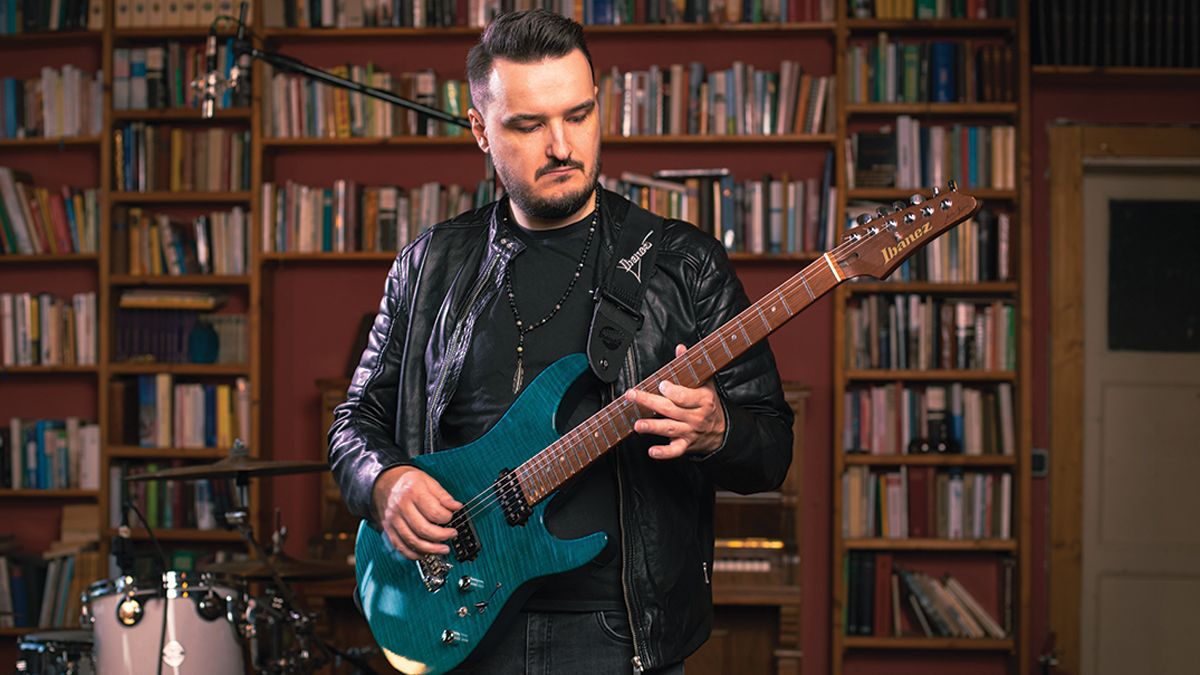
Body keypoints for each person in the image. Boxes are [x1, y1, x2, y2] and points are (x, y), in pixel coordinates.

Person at [327, 9, 794, 674]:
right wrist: (386, 484)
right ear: (479, 130)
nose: (563, 145)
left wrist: (720, 429)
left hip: (619, 631)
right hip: (459, 616)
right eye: (529, 124)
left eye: (579, 115)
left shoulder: (682, 263)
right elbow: (353, 424)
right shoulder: (429, 265)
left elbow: (771, 446)